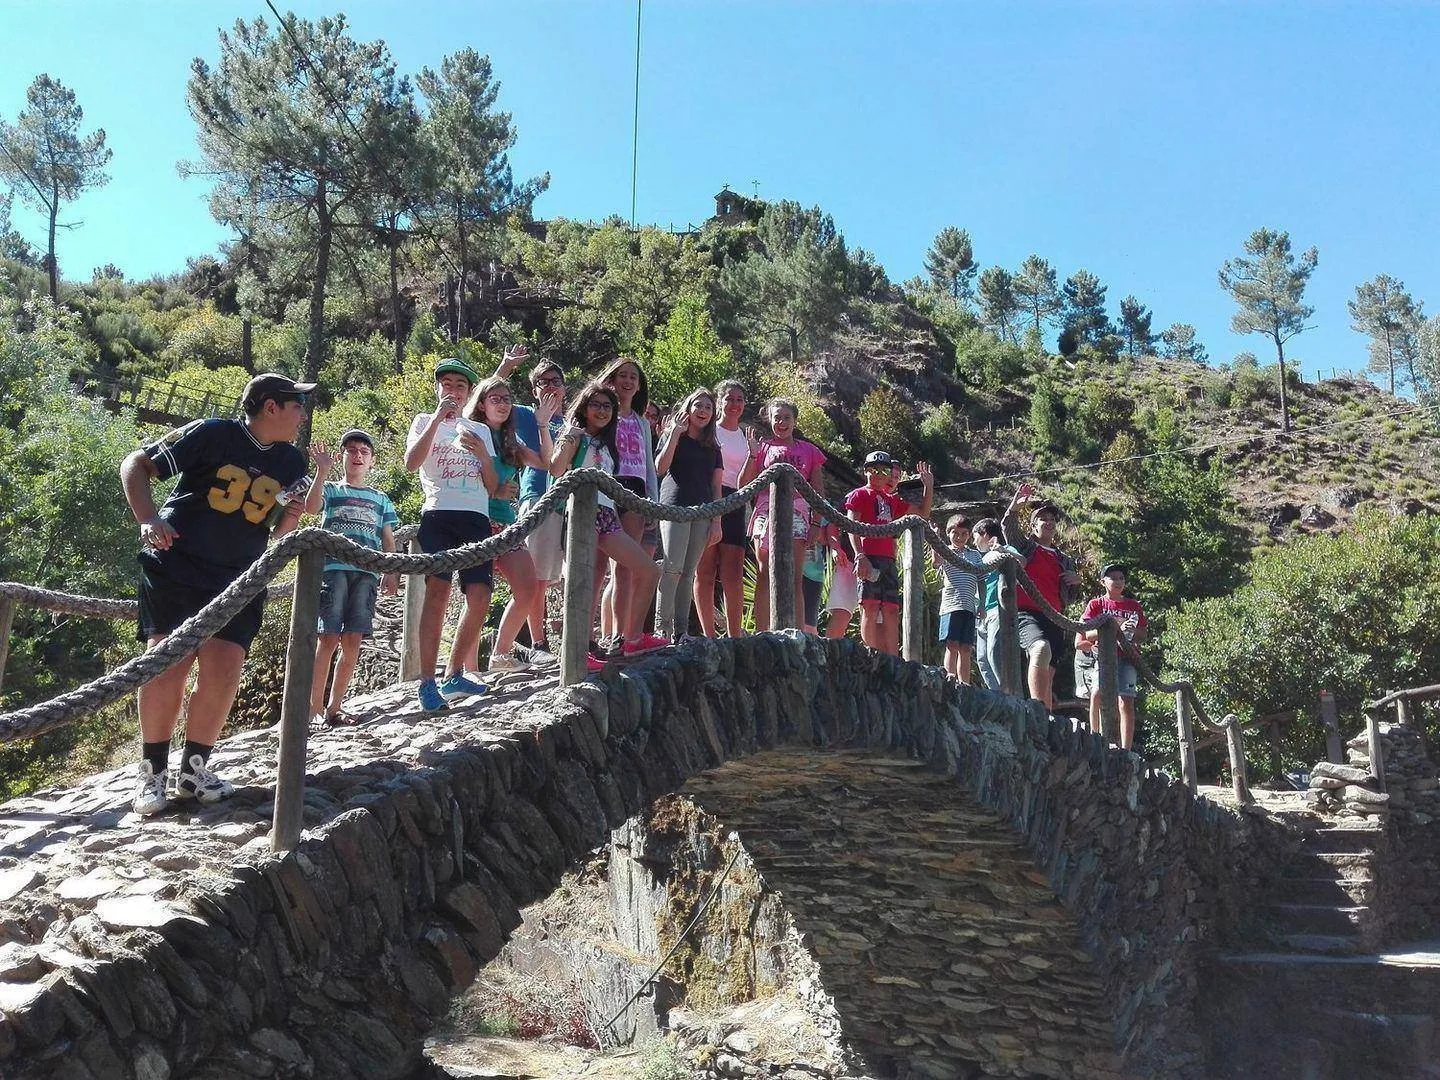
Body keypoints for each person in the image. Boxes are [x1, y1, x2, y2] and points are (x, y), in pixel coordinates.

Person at [121, 373, 313, 816]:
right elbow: (136, 463)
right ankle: (151, 773)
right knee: (167, 663)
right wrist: (148, 519)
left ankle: (195, 770)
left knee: (225, 669)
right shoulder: (213, 433)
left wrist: (290, 520)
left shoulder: (291, 462)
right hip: (179, 565)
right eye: (296, 405)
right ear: (270, 407)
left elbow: (282, 521)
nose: (302, 414)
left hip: (240, 578)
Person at [549, 382, 668, 667]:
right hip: (580, 516)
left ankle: (633, 639)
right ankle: (579, 649)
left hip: (607, 516)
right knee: (584, 583)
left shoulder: (608, 442)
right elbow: (555, 468)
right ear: (584, 407)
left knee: (649, 571)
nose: (602, 411)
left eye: (607, 406)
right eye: (596, 405)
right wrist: (568, 437)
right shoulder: (576, 436)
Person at [404, 356, 496, 713]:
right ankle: (427, 682)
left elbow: (491, 483)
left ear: (469, 392)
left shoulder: (481, 430)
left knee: (480, 595)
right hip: (438, 513)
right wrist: (437, 422)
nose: (453, 391)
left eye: (460, 386)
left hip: (475, 515)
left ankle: (454, 672)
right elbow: (412, 464)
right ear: (437, 387)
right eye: (447, 384)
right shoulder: (423, 421)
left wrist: (482, 455)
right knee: (437, 593)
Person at [456, 375, 560, 674]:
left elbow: (547, 464)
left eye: (506, 399)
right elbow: (466, 478)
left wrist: (542, 424)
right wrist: (496, 489)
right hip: (478, 522)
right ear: (482, 404)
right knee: (477, 596)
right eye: (495, 399)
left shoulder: (510, 440)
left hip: (507, 524)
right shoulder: (472, 432)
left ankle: (500, 654)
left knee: (527, 588)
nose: (502, 404)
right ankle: (469, 670)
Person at [303, 430, 399, 727]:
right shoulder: (331, 489)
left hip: (366, 572)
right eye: (352, 450)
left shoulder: (380, 499)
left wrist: (391, 569)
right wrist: (321, 472)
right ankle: (313, 708)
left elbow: (388, 538)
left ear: (372, 461)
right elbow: (310, 508)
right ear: (342, 456)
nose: (357, 456)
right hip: (333, 569)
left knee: (354, 639)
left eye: (363, 452)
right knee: (328, 637)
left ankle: (335, 707)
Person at [493, 347, 568, 663]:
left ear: (565, 387)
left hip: (565, 504)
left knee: (547, 579)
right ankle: (539, 645)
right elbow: (489, 398)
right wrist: (505, 366)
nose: (550, 386)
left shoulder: (570, 420)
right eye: (543, 382)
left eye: (555, 380)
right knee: (535, 577)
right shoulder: (525, 414)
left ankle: (543, 643)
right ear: (534, 389)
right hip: (535, 498)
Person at [738, 398, 827, 630]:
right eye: (777, 417)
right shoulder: (763, 448)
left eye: (786, 417)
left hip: (798, 512)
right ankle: (762, 632)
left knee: (795, 575)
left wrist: (817, 524)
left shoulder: (810, 451)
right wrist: (752, 455)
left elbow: (818, 491)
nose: (781, 422)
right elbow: (743, 485)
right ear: (770, 420)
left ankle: (795, 632)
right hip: (765, 512)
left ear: (795, 420)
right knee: (764, 570)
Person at [842, 452, 934, 656]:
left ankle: (893, 659)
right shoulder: (859, 494)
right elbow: (851, 526)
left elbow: (923, 513)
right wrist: (860, 555)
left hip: (889, 560)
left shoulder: (891, 501)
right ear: (866, 471)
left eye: (884, 470)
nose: (879, 474)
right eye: (874, 469)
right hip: (869, 556)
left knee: (892, 610)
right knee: (870, 607)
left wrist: (928, 486)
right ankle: (870, 657)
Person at [597, 357, 659, 650]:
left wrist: (653, 504)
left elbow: (648, 464)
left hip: (634, 491)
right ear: (611, 378)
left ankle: (622, 636)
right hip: (606, 487)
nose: (628, 381)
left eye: (633, 377)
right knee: (599, 568)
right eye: (623, 375)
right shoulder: (602, 414)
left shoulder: (642, 422)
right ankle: (600, 636)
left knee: (625, 567)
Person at [1001, 481, 1079, 710]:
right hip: (1027, 612)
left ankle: (1046, 719)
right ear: (1033, 526)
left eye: (1053, 520)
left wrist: (1076, 582)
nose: (1049, 523)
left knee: (1051, 670)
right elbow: (1009, 529)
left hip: (1056, 617)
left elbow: (1070, 596)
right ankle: (1036, 708)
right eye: (1043, 519)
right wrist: (1014, 508)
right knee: (1040, 649)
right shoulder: (1026, 547)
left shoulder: (1064, 559)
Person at [653, 389, 723, 641]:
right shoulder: (675, 436)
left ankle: (681, 632)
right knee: (672, 568)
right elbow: (660, 468)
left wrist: (717, 521)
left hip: (703, 512)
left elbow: (716, 486)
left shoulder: (713, 447)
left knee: (688, 572)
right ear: (688, 408)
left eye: (708, 407)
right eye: (698, 405)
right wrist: (673, 435)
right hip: (675, 507)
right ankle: (662, 630)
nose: (703, 410)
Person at [693, 380, 750, 637]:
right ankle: (708, 634)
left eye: (739, 399)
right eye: (729, 399)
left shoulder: (747, 437)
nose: (734, 404)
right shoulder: (708, 431)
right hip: (707, 498)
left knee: (733, 570)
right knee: (704, 568)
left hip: (736, 502)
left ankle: (735, 634)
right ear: (719, 401)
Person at [1074, 563, 1149, 749]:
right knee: (1097, 693)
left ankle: (1126, 749)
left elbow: (1143, 634)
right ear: (1103, 582)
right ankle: (1095, 738)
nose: (1118, 581)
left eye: (1121, 578)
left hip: (1128, 657)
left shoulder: (1133, 606)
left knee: (1126, 701)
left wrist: (1132, 631)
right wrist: (1113, 628)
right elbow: (1085, 634)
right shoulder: (1096, 605)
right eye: (1113, 578)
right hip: (1104, 656)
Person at [932, 514, 986, 683]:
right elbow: (936, 562)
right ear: (949, 533)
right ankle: (950, 679)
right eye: (955, 533)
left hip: (969, 606)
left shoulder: (975, 555)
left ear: (969, 535)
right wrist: (935, 539)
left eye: (964, 534)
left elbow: (981, 580)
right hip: (951, 605)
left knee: (966, 647)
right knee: (952, 644)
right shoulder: (945, 551)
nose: (959, 537)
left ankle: (965, 683)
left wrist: (982, 604)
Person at [971, 517, 1008, 692]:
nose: (973, 541)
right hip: (982, 611)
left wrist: (1001, 550)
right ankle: (997, 696)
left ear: (984, 534)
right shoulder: (981, 559)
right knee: (982, 659)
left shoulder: (1004, 549)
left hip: (997, 608)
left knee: (994, 652)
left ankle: (1009, 695)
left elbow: (1021, 561)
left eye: (975, 536)